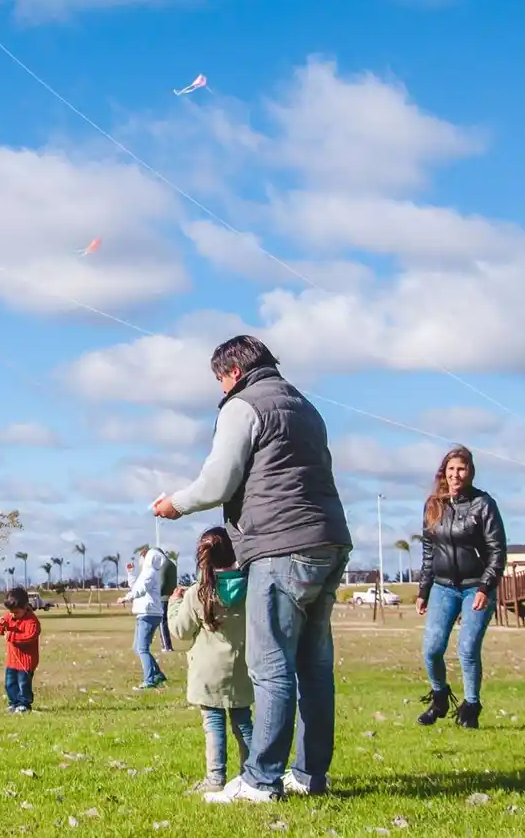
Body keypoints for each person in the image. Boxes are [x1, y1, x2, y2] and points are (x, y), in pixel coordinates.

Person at [151, 335, 351, 804]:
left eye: (219, 380)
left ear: (233, 372)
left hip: (282, 546)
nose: (219, 389)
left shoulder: (243, 405)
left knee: (271, 665)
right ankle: (307, 774)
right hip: (330, 540)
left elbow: (220, 481)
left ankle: (261, 780)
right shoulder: (304, 406)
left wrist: (175, 504)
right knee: (315, 666)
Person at [416, 446, 505, 730]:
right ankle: (440, 697)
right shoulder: (434, 504)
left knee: (467, 649)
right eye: (451, 469)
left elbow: (497, 550)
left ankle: (471, 706)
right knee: (432, 649)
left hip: (475, 588)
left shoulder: (483, 504)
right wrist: (423, 591)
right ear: (444, 472)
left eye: (461, 469)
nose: (456, 475)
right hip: (442, 587)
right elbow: (428, 552)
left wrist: (484, 587)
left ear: (470, 472)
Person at [168, 527, 254, 795]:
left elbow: (181, 631)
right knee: (244, 723)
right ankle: (253, 774)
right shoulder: (252, 586)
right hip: (242, 668)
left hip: (207, 674)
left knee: (213, 725)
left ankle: (215, 779)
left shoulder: (198, 592)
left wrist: (173, 604)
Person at [117, 546, 170, 690]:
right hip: (147, 614)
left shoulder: (150, 573)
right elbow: (136, 586)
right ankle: (157, 674)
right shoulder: (148, 573)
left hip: (148, 614)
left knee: (142, 648)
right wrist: (130, 573)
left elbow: (140, 590)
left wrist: (126, 598)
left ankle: (150, 680)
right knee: (138, 648)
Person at [0, 587, 41, 714]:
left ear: (25, 606)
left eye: (16, 612)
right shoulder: (10, 616)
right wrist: (1, 624)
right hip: (12, 660)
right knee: (10, 683)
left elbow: (30, 637)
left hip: (26, 661)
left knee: (23, 684)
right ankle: (13, 702)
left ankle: (24, 703)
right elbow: (0, 631)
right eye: (11, 612)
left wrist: (12, 636)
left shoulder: (31, 621)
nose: (13, 615)